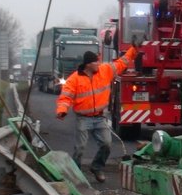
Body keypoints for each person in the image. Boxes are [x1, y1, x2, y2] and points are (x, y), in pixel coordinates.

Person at [56, 41, 138, 182]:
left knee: (106, 144)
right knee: (80, 148)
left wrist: (133, 49)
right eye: (95, 62)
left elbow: (121, 63)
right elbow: (66, 96)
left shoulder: (105, 70)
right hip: (83, 118)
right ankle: (77, 174)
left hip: (100, 118)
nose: (98, 64)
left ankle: (97, 167)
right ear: (88, 64)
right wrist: (62, 110)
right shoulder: (74, 79)